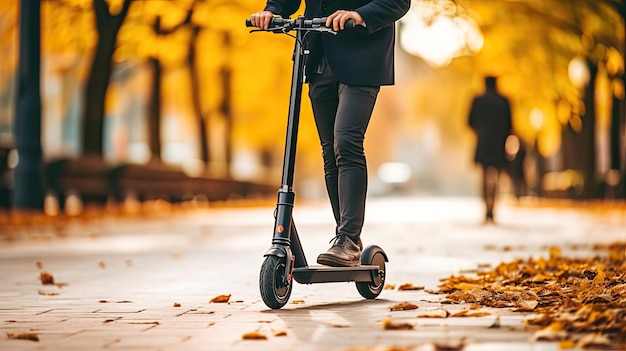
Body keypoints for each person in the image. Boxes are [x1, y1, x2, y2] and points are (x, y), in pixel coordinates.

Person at [250, 0, 410, 267]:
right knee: (330, 151)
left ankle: (348, 238)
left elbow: (397, 1)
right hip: (317, 54)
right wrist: (273, 10)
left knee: (346, 142)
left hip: (362, 55)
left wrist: (359, 15)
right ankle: (347, 239)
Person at [468, 76, 513, 224]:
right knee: (497, 177)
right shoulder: (504, 101)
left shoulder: (478, 100)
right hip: (498, 143)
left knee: (483, 175)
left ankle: (486, 209)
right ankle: (492, 208)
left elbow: (469, 122)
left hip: (483, 142)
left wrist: (480, 131)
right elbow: (509, 125)